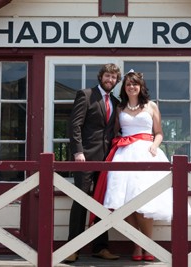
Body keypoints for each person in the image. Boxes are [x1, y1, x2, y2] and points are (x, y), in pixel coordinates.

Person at [95, 70, 191, 261]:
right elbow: (114, 132)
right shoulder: (119, 108)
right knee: (125, 204)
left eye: (135, 84)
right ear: (124, 88)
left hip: (147, 153)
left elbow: (159, 132)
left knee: (145, 202)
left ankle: (147, 245)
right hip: (124, 155)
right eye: (128, 84)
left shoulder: (151, 106)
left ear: (141, 87)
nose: (131, 87)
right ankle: (137, 246)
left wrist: (154, 147)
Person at [65, 63, 122, 263]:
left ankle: (100, 247)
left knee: (101, 203)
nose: (110, 80)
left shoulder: (116, 101)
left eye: (114, 77)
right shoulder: (86, 95)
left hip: (107, 160)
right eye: (107, 76)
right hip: (86, 157)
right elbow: (75, 125)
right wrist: (78, 151)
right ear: (101, 77)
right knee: (80, 200)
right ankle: (72, 248)